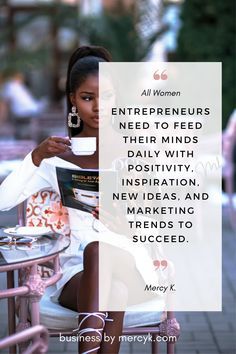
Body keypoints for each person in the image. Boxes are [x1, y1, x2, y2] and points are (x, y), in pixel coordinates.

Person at [0, 46, 159, 354]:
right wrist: (35, 157)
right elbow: (3, 201)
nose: (99, 107)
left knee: (102, 255)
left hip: (134, 265)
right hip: (78, 274)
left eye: (108, 97)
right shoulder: (56, 159)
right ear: (73, 99)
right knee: (114, 288)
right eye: (88, 98)